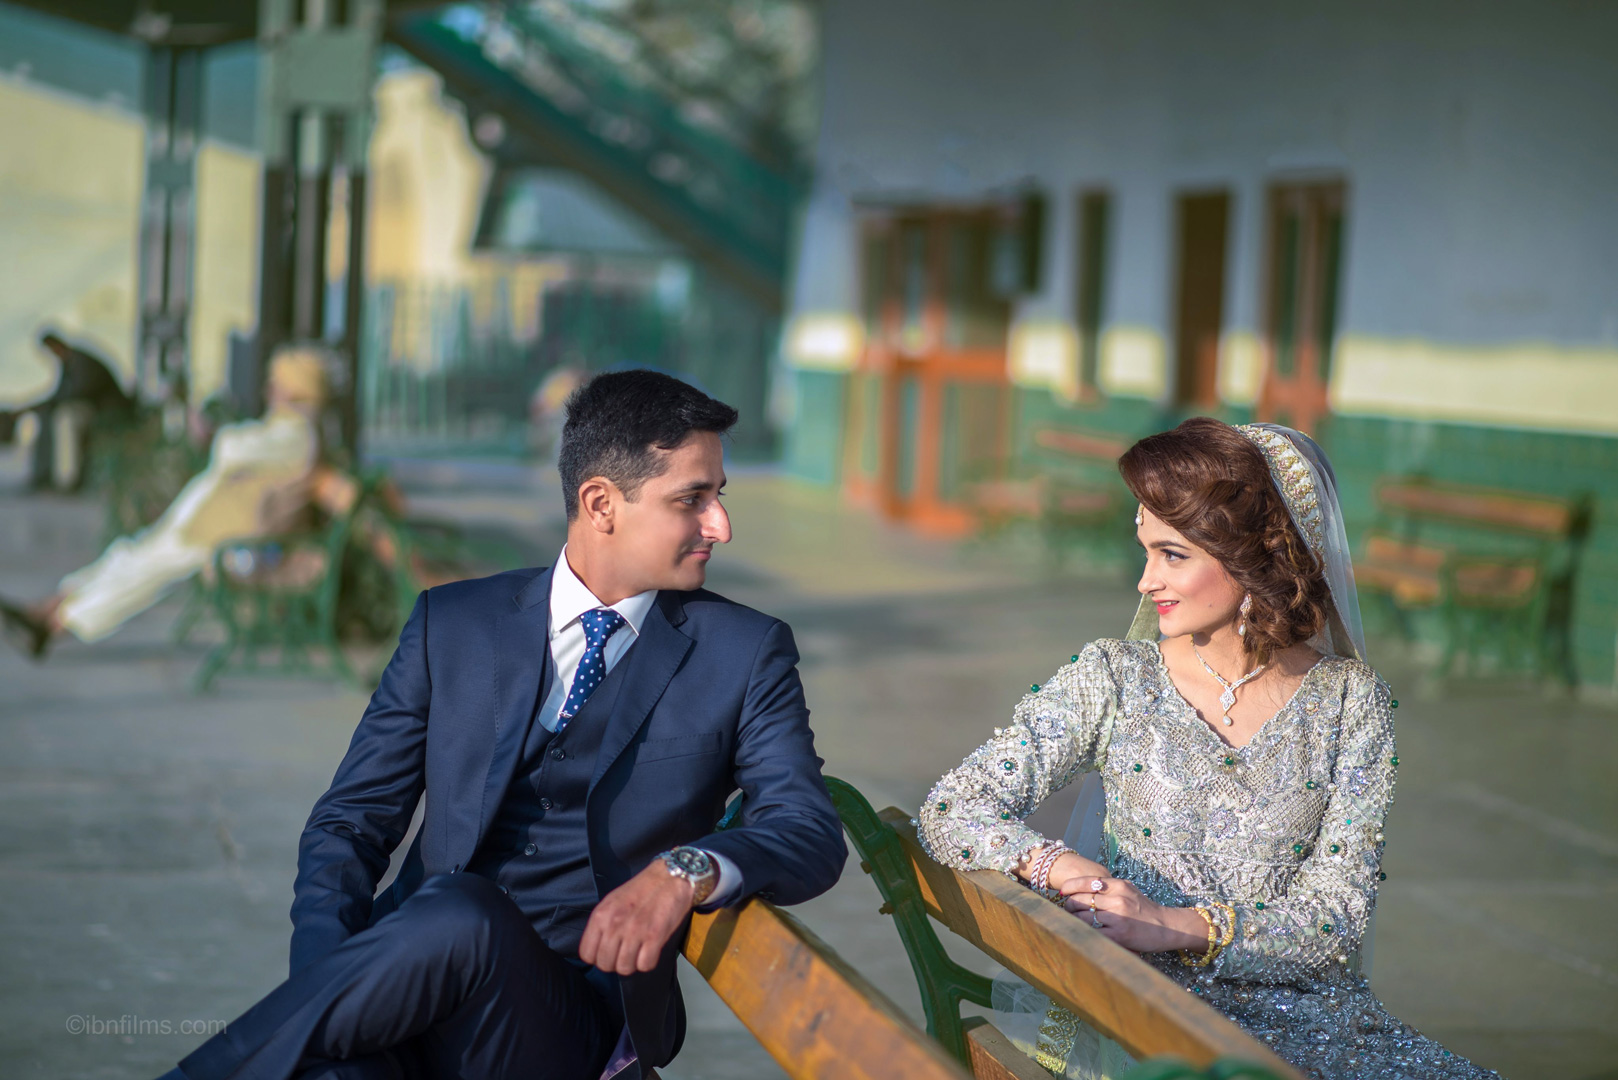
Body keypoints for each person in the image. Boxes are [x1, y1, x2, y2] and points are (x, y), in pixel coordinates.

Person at [152, 369, 846, 1080]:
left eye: (717, 497)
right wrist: (337, 994)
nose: (720, 525)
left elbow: (808, 830)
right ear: (601, 503)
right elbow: (350, 822)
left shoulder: (742, 653)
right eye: (692, 500)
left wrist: (682, 870)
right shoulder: (450, 625)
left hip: (562, 1025)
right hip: (413, 990)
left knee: (461, 911)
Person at [919, 418, 1498, 1080]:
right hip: (1138, 1015)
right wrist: (1054, 865)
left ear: (1256, 554)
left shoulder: (1349, 702)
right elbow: (954, 804)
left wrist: (1178, 924)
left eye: (1172, 555)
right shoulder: (1114, 677)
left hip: (1307, 1018)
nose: (1146, 582)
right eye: (1146, 552)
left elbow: (1338, 911)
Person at [0, 345, 329, 660]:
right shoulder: (287, 428)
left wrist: (217, 434)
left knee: (140, 571)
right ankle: (48, 609)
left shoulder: (296, 434)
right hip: (209, 521)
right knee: (128, 556)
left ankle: (59, 621)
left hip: (223, 535)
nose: (269, 389)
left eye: (278, 383)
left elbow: (232, 448)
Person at [0, 331, 135, 491]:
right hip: (92, 409)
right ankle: (44, 474)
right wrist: (32, 407)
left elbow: (80, 393)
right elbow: (59, 395)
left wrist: (42, 405)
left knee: (65, 419)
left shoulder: (82, 361)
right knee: (49, 415)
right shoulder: (69, 363)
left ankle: (67, 480)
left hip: (107, 411)